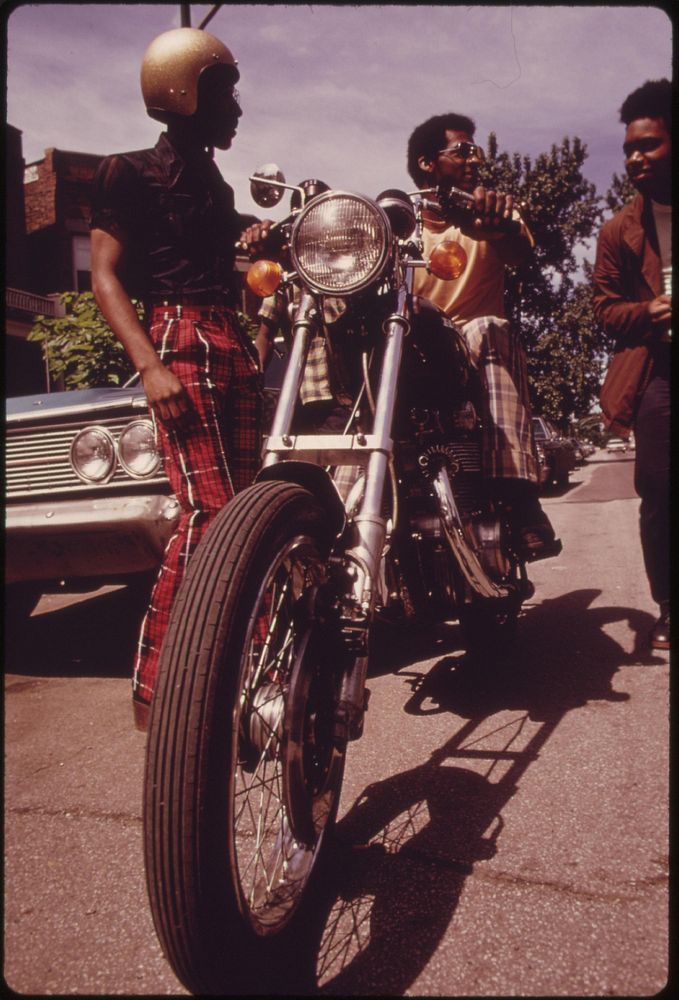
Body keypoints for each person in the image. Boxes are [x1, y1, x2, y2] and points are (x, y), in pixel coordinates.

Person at [90, 28, 264, 729]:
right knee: (208, 514)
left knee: (247, 513)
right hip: (177, 337)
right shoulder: (127, 171)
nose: (237, 108)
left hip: (229, 338)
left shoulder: (214, 184)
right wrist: (149, 364)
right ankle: (157, 692)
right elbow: (103, 275)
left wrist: (249, 239)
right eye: (226, 92)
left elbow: (223, 266)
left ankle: (237, 668)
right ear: (184, 92)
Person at [407, 113, 559, 560]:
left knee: (489, 327)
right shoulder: (400, 224)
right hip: (415, 346)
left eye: (477, 152)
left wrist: (497, 225)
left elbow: (519, 253)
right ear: (426, 163)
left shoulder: (492, 210)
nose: (476, 160)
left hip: (472, 344)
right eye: (463, 151)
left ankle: (519, 497)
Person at [593, 79, 671, 650]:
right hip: (658, 369)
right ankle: (670, 604)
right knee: (659, 487)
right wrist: (649, 308)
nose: (635, 158)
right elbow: (603, 309)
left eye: (649, 145)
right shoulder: (620, 230)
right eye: (629, 149)